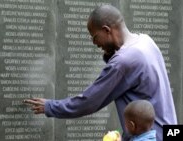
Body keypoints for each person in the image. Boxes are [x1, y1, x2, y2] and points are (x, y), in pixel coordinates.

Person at [24, 5, 177, 141]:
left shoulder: (123, 61)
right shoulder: (146, 41)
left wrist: (50, 106)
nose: (94, 43)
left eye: (95, 36)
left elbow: (89, 102)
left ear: (106, 30)